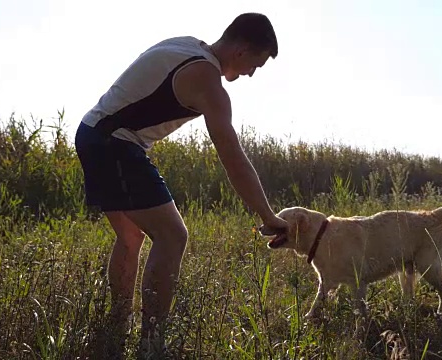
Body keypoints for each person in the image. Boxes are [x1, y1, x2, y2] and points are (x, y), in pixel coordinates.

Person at [74, 12, 288, 358]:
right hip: (115, 142)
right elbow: (233, 159)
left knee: (130, 236)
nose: (250, 75)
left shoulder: (186, 46)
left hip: (92, 133)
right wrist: (267, 215)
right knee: (173, 236)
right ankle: (151, 345)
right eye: (256, 66)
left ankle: (116, 331)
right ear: (242, 50)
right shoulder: (207, 80)